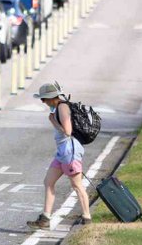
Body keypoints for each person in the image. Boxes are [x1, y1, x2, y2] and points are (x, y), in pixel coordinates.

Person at [26, 81, 92, 229]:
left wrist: (53, 121)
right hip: (62, 152)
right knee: (48, 182)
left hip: (70, 152)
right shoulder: (58, 107)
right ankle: (45, 218)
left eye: (44, 99)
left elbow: (67, 131)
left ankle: (87, 218)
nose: (43, 102)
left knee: (77, 185)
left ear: (51, 98)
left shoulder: (62, 108)